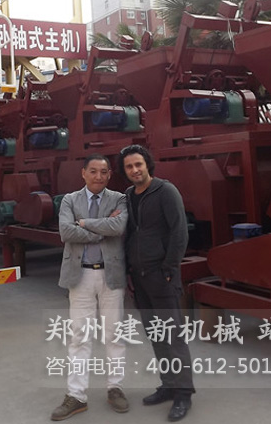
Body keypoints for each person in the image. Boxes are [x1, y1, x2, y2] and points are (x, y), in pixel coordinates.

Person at [118, 144, 194, 422]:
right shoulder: (129, 196)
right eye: (129, 166)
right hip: (139, 277)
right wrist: (128, 270)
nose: (135, 170)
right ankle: (169, 384)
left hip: (161, 275)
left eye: (138, 164)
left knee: (173, 335)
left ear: (147, 164)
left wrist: (170, 268)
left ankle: (184, 392)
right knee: (156, 334)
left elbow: (179, 231)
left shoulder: (165, 191)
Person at [51, 154, 129, 421]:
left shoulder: (119, 199)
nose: (98, 176)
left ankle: (115, 388)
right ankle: (76, 396)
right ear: (83, 173)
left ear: (109, 175)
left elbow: (118, 226)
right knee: (79, 337)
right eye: (93, 171)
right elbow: (66, 232)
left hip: (111, 276)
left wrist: (83, 223)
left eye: (103, 172)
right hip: (80, 275)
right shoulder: (70, 200)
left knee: (114, 335)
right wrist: (101, 230)